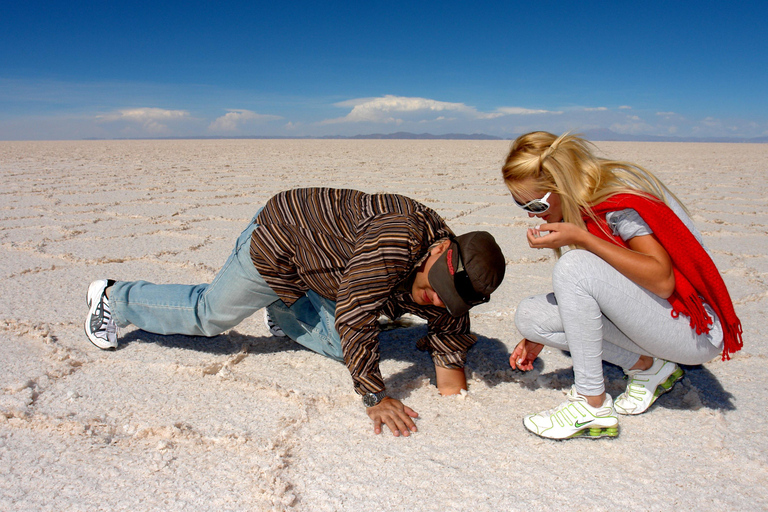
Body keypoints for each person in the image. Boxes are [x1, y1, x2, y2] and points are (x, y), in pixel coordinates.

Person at [85, 187, 506, 437]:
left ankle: (286, 310)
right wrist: (376, 398)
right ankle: (115, 297)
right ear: (436, 252)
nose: (437, 299)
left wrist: (454, 397)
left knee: (348, 353)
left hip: (331, 269)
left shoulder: (458, 278)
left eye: (448, 298)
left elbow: (450, 337)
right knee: (209, 316)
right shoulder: (393, 245)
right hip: (282, 241)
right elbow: (356, 317)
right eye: (439, 289)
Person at [501, 131, 742, 440]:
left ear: (561, 186)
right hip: (655, 319)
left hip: (693, 330)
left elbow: (662, 280)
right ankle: (649, 366)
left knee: (574, 267)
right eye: (520, 205)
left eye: (534, 205)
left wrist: (582, 239)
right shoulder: (584, 210)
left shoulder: (617, 208)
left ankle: (592, 406)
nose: (533, 215)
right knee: (531, 317)